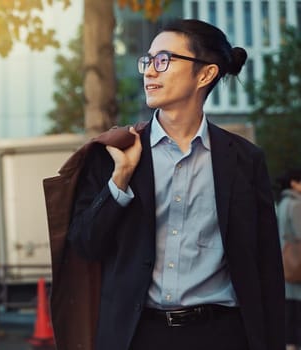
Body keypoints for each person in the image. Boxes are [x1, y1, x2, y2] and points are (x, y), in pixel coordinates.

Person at [65, 18, 284, 350]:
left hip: (223, 334)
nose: (150, 72)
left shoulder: (244, 160)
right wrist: (120, 180)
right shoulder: (114, 151)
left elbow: (266, 267)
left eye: (163, 60)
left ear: (205, 74)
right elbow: (85, 245)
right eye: (148, 60)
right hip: (137, 335)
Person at [276, 169, 301, 350]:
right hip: (297, 259)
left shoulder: (283, 203)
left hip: (286, 257)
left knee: (289, 304)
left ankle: (290, 342)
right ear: (294, 183)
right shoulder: (296, 205)